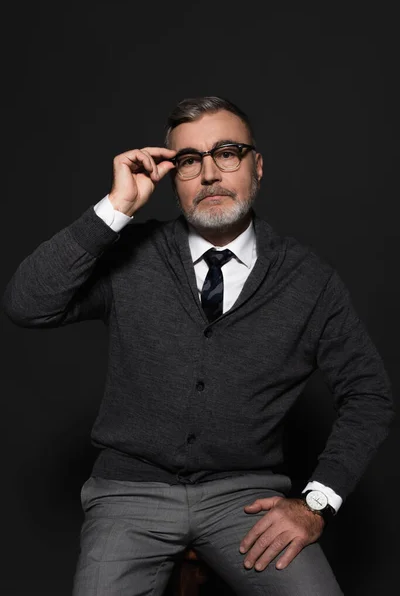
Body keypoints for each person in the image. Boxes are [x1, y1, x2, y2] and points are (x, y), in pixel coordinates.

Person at [2, 96, 394, 596]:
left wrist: (316, 502)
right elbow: (26, 303)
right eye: (190, 160)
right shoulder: (132, 255)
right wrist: (115, 209)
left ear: (257, 168)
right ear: (175, 177)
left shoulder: (308, 280)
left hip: (244, 498)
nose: (209, 174)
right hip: (129, 494)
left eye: (227, 153)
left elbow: (369, 396)